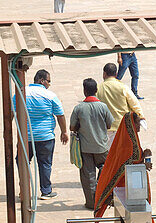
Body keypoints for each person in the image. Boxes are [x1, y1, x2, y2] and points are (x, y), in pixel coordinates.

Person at [69, 78, 115, 209]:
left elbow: (72, 127)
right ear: (96, 90)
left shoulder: (79, 108)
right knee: (105, 171)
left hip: (85, 148)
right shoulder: (103, 107)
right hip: (102, 146)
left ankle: (91, 203)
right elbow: (109, 124)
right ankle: (104, 198)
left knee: (88, 176)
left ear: (84, 91)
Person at [22, 68, 67, 199]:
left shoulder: (22, 92)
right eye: (48, 81)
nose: (49, 84)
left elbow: (13, 112)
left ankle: (24, 190)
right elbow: (60, 115)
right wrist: (64, 132)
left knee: (23, 163)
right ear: (41, 81)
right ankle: (46, 191)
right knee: (45, 164)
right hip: (45, 137)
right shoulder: (50, 95)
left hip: (26, 137)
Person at [98, 61, 142, 135]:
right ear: (116, 74)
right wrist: (141, 116)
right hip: (122, 127)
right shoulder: (123, 87)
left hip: (105, 128)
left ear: (104, 74)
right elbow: (134, 103)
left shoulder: (98, 88)